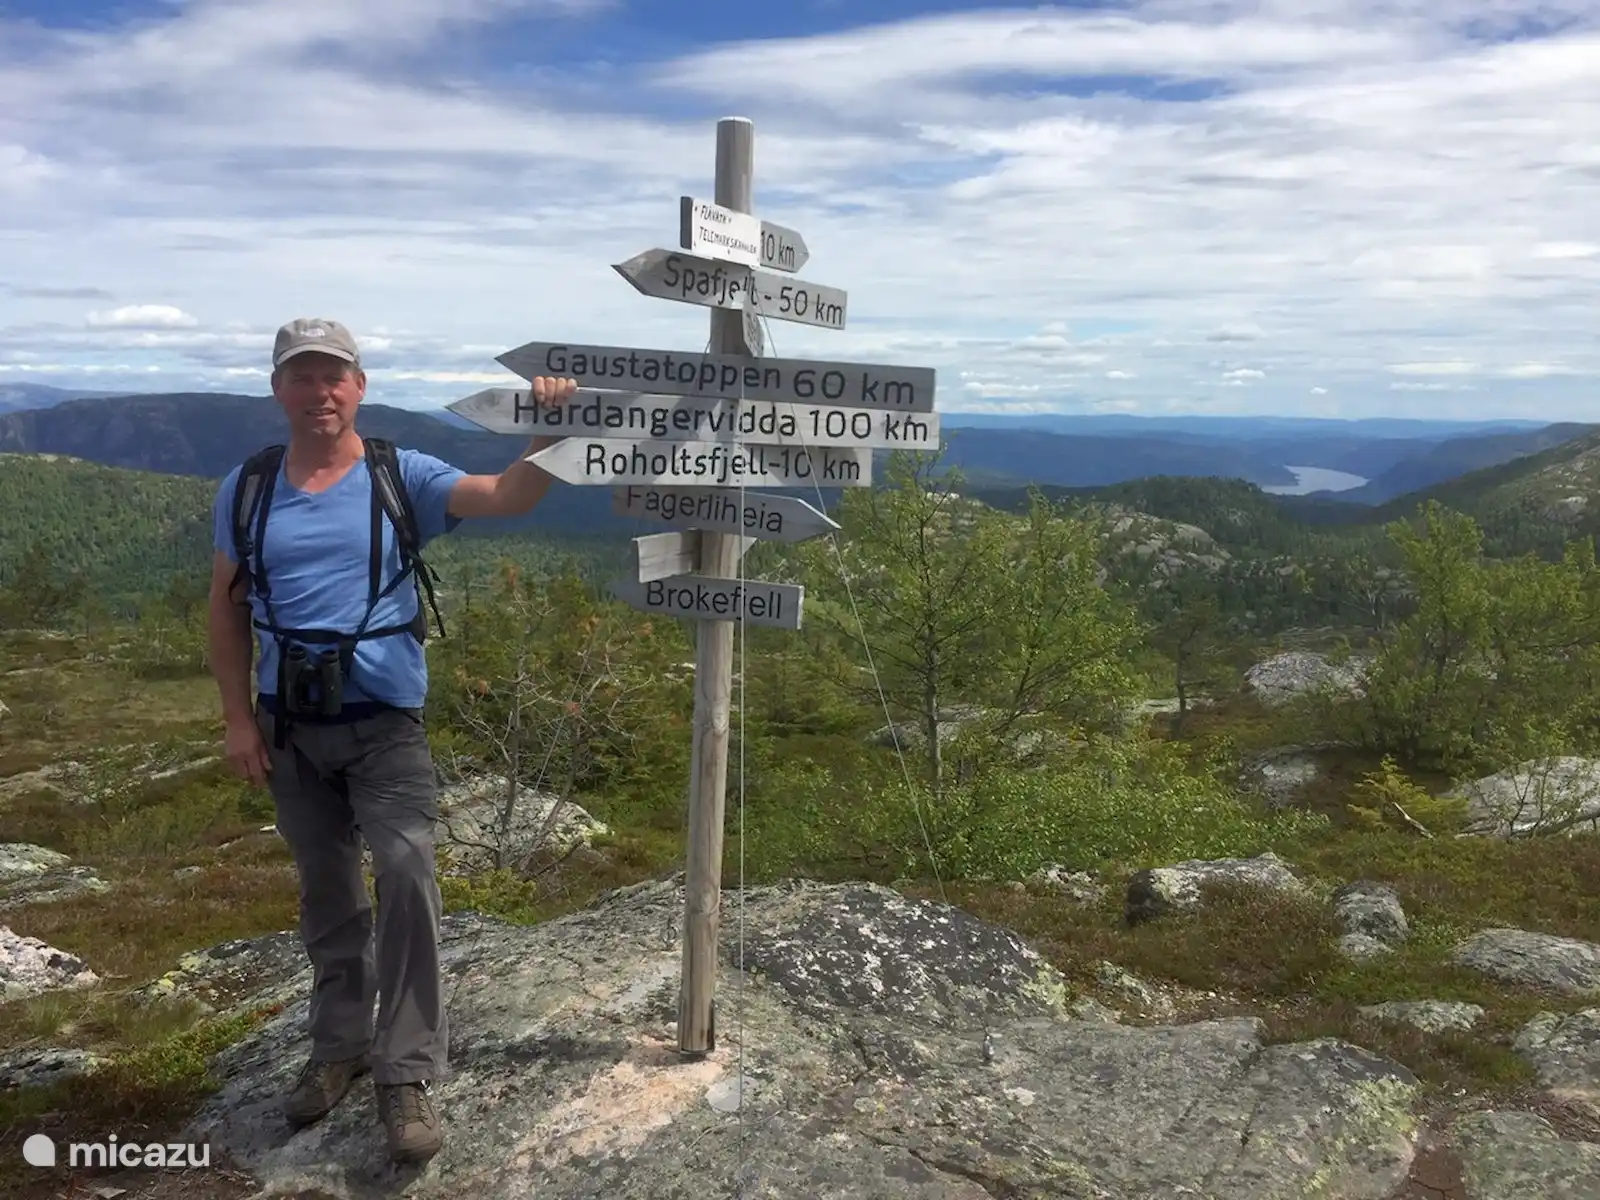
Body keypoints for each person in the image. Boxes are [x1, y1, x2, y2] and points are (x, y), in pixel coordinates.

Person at [206, 317, 575, 1164]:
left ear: (360, 386)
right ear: (279, 389)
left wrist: (549, 429)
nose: (320, 391)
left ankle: (404, 1072)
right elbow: (224, 612)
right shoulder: (247, 487)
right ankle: (338, 1047)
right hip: (289, 726)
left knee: (407, 878)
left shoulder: (399, 473)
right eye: (303, 377)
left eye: (333, 375)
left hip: (385, 722)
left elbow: (506, 496)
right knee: (327, 891)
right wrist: (236, 719)